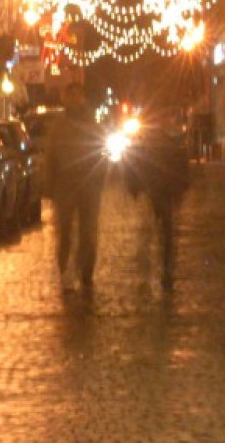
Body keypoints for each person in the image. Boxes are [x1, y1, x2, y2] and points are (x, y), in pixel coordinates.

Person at [46, 82, 109, 294]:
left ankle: (86, 274)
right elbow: (51, 156)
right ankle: (65, 271)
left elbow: (103, 152)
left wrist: (99, 178)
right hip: (65, 185)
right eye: (70, 95)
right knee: (65, 232)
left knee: (88, 233)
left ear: (82, 97)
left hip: (89, 184)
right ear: (65, 99)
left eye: (77, 95)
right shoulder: (59, 126)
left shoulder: (92, 123)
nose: (74, 100)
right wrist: (50, 184)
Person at [124, 115, 193, 291]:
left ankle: (163, 268)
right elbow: (136, 166)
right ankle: (162, 267)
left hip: (161, 191)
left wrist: (135, 187)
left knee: (163, 230)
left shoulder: (163, 143)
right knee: (162, 230)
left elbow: (136, 166)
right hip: (159, 191)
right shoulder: (160, 143)